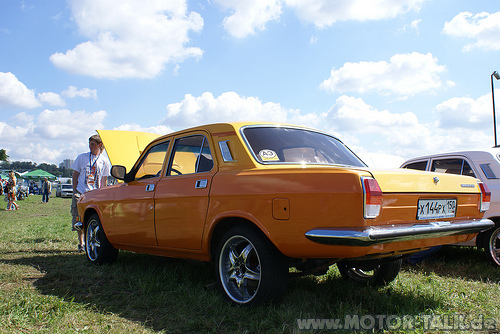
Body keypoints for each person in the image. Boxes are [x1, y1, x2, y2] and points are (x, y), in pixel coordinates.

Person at [71, 134, 111, 252]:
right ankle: (81, 243)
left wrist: (103, 194)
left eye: (92, 144)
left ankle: (93, 240)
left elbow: (104, 179)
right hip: (81, 192)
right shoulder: (82, 157)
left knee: (93, 217)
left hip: (95, 194)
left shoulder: (104, 161)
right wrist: (75, 190)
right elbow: (75, 174)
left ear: (99, 145)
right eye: (89, 144)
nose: (90, 146)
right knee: (78, 217)